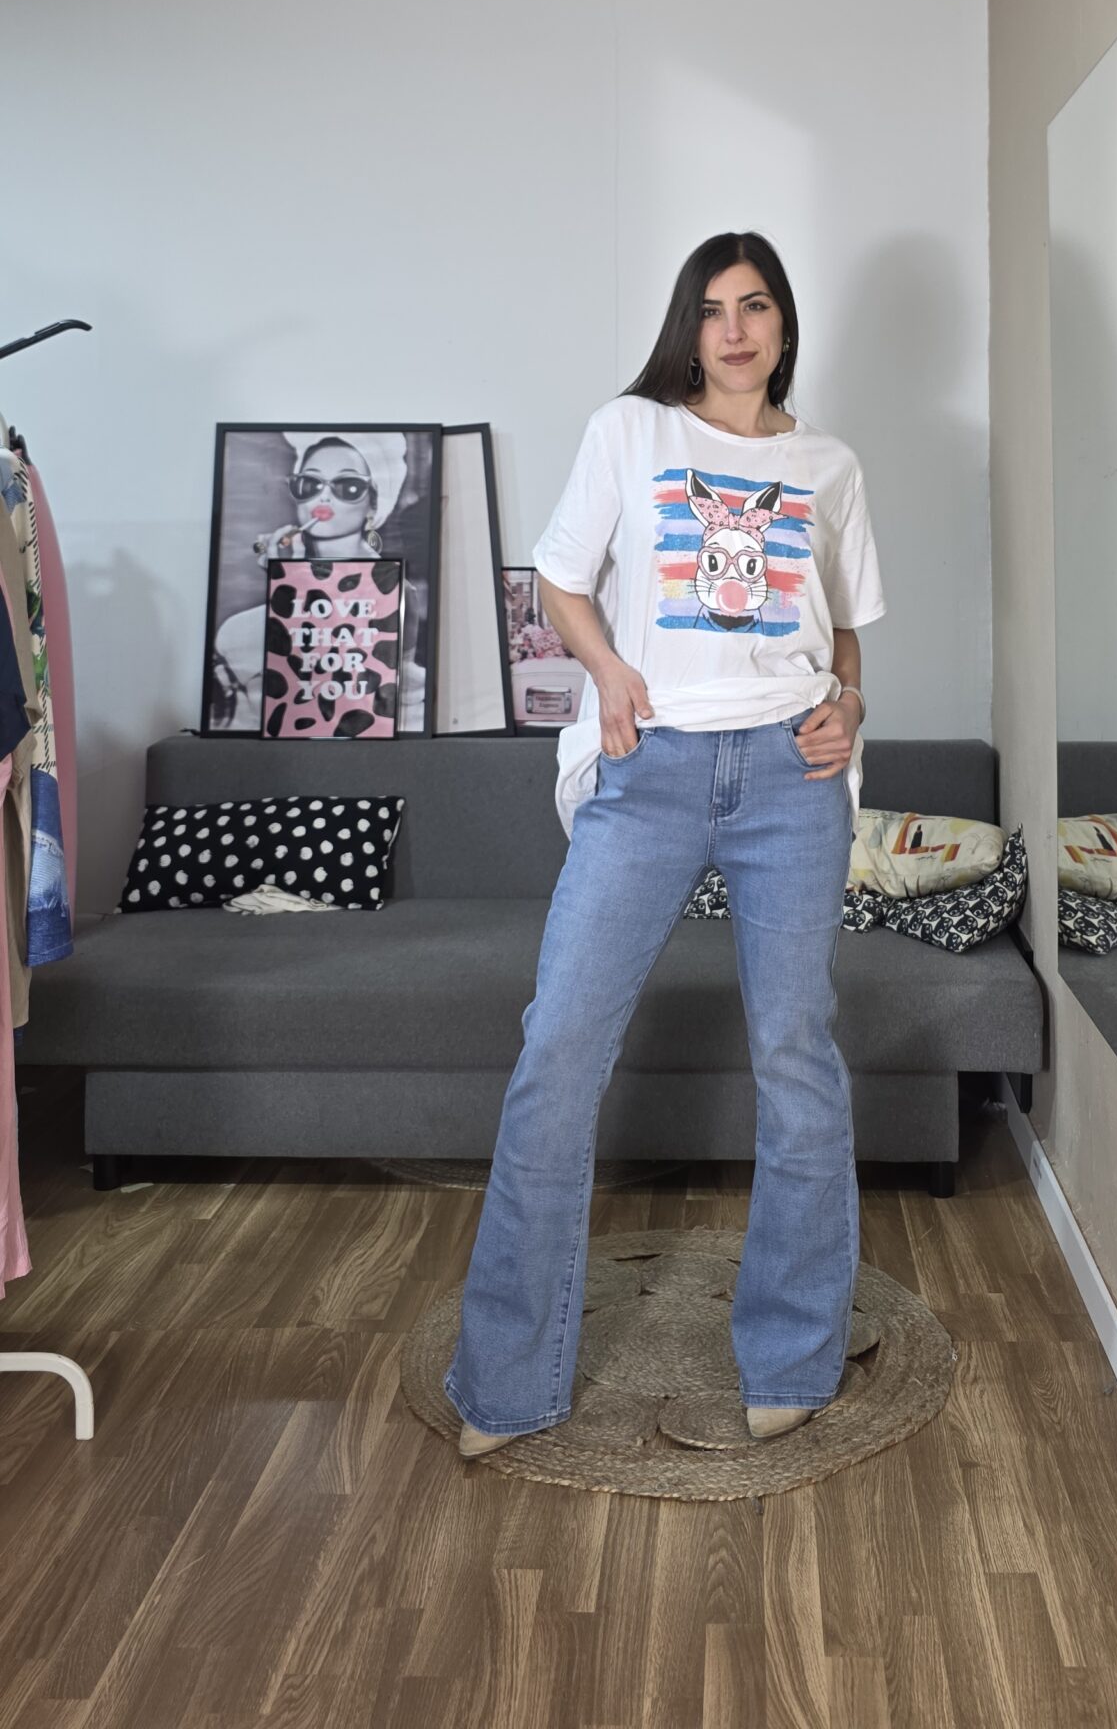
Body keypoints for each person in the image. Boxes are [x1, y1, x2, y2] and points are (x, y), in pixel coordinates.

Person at [444, 230, 886, 1459]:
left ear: (783, 324)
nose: (733, 330)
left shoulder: (829, 465)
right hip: (651, 769)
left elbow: (843, 630)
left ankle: (791, 1354)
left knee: (795, 1057)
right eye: (711, 309)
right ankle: (507, 1380)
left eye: (755, 306)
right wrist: (607, 671)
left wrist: (851, 705)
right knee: (558, 1048)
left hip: (793, 775)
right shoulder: (630, 432)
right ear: (688, 329)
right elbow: (558, 579)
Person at [209, 431, 427, 732]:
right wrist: (287, 583)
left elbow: (351, 686)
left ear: (374, 504)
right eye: (310, 484)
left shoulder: (394, 592)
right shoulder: (244, 624)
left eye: (348, 486)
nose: (323, 497)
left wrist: (296, 588)